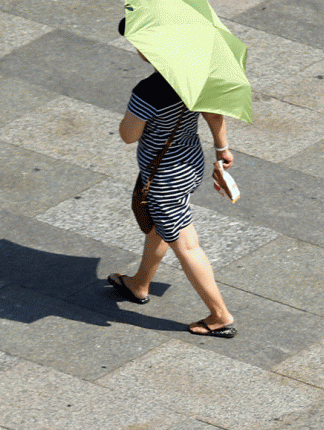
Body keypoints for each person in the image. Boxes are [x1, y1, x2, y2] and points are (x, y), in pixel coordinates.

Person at [107, 18, 236, 337]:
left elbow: (128, 135)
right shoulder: (197, 75)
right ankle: (139, 284)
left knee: (187, 244)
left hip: (163, 176)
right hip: (190, 163)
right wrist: (222, 148)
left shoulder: (149, 90)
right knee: (161, 224)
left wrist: (133, 115)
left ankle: (219, 315)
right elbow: (213, 113)